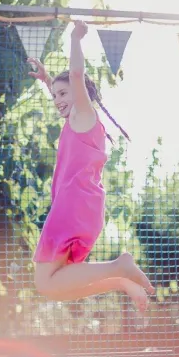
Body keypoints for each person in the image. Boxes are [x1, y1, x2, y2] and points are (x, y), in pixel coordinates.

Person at [27, 20, 154, 313]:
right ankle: (120, 280)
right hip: (82, 206)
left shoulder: (84, 115)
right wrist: (48, 81)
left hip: (74, 204)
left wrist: (75, 38)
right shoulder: (80, 122)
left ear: (79, 91)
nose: (57, 101)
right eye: (55, 95)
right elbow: (67, 86)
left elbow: (75, 74)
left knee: (46, 282)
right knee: (53, 287)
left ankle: (119, 267)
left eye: (63, 94)